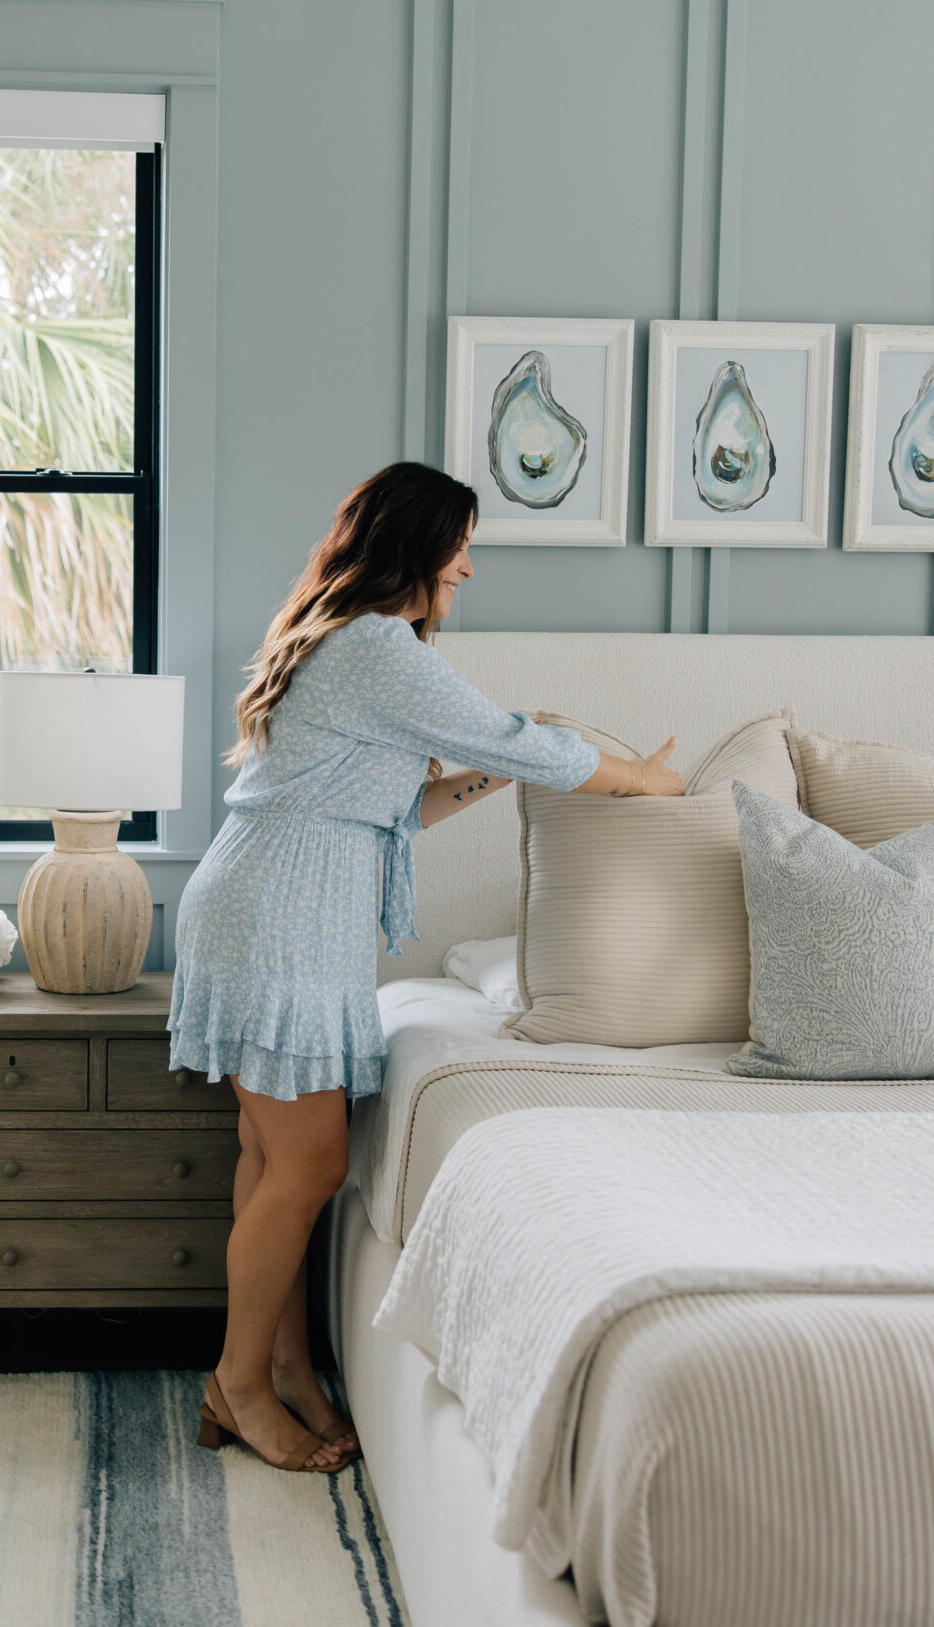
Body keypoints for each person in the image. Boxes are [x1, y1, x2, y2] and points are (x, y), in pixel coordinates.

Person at [170, 461, 687, 1472]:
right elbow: (520, 739)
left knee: (272, 1159)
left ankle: (282, 1372)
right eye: (459, 547)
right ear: (414, 547)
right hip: (277, 917)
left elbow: (403, 806)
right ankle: (234, 1385)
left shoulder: (351, 644)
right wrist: (647, 782)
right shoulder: (376, 650)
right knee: (309, 1161)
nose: (468, 570)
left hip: (275, 905)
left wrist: (499, 767)